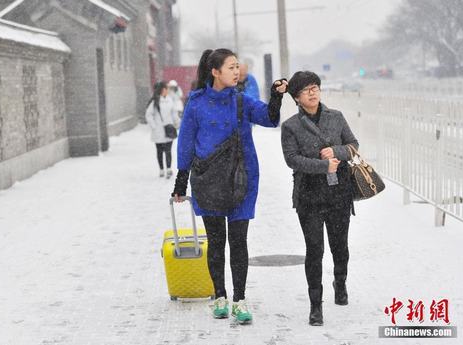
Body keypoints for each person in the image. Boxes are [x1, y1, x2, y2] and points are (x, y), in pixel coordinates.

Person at [172, 48, 287, 324]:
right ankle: (220, 296)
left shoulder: (241, 101)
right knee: (216, 241)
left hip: (241, 179)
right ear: (215, 72)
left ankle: (240, 299)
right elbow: (186, 141)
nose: (237, 72)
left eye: (238, 67)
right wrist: (181, 179)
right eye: (231, 67)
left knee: (238, 241)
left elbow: (270, 119)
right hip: (208, 178)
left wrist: (276, 96)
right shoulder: (197, 103)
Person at [280, 71, 359, 326]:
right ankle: (316, 304)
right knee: (314, 250)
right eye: (306, 90)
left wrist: (335, 152)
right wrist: (323, 166)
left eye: (315, 87)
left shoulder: (336, 117)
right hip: (309, 196)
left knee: (340, 246)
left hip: (339, 194)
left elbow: (353, 145)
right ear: (297, 98)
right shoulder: (290, 126)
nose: (313, 92)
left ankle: (341, 281)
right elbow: (292, 160)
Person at [145, 81, 179, 179]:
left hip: (168, 129)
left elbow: (174, 113)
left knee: (168, 150)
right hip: (158, 130)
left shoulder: (170, 100)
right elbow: (148, 114)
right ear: (162, 90)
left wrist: (176, 122)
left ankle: (168, 169)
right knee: (159, 151)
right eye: (166, 88)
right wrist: (154, 126)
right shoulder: (155, 101)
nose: (167, 90)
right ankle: (161, 169)